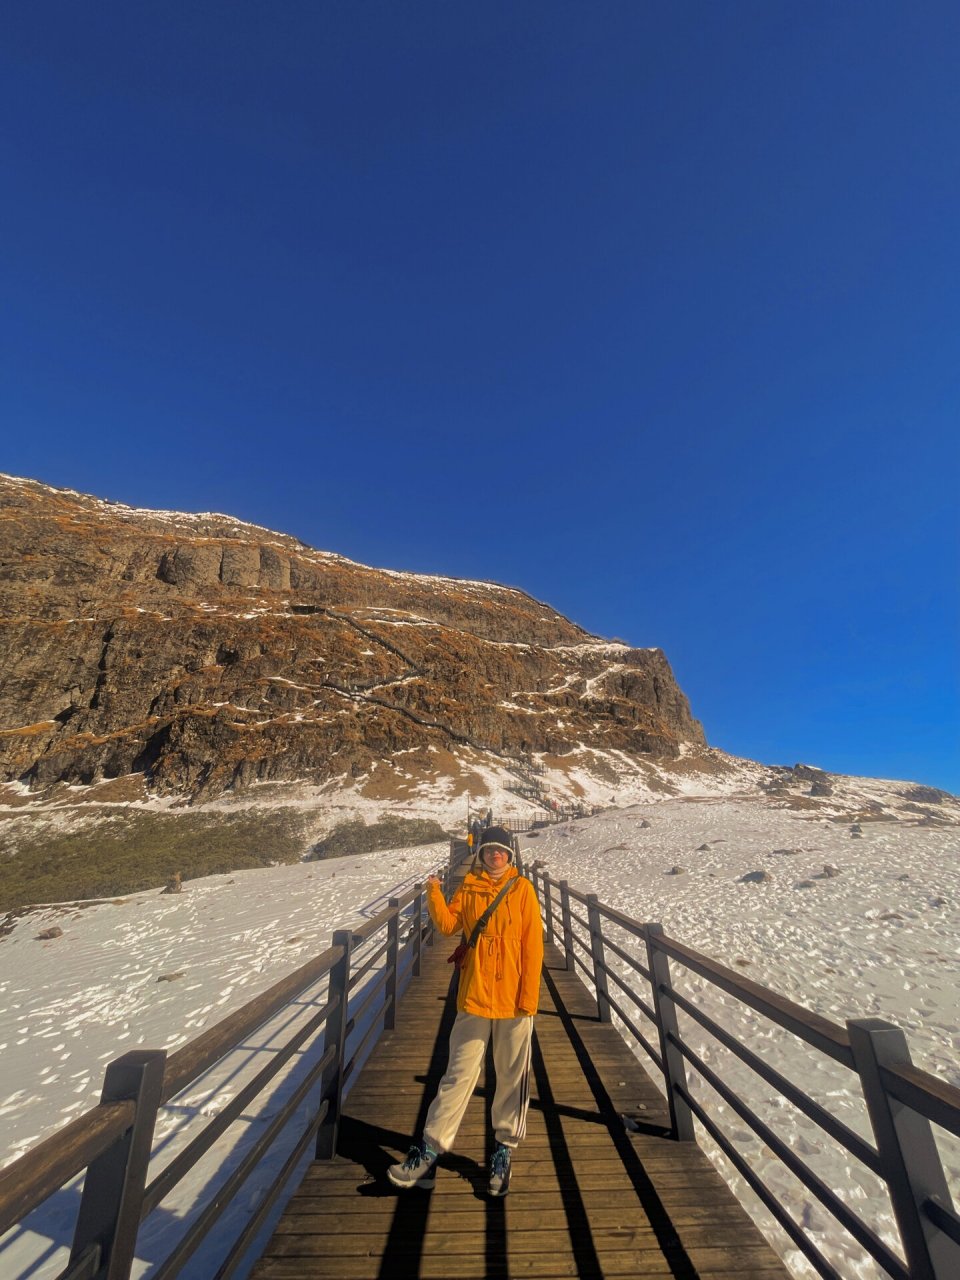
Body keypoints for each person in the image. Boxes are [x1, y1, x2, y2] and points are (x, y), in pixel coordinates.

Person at [387, 824, 544, 1197]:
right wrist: (434, 892)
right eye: (490, 850)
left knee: (511, 1077)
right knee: (457, 1074)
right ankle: (429, 1150)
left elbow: (532, 946)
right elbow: (446, 926)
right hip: (474, 996)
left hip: (514, 1001)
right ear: (480, 853)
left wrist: (529, 997)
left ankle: (503, 1150)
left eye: (502, 851)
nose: (496, 856)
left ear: (510, 856)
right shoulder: (469, 888)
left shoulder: (522, 890)